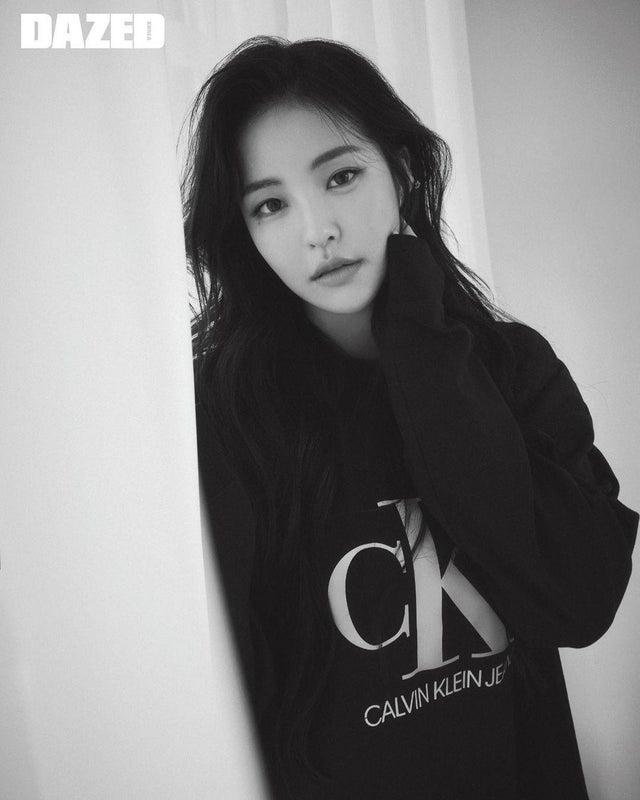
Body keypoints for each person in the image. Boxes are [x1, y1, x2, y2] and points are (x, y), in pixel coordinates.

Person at [181, 35, 638, 800]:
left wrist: (420, 336)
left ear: (400, 171)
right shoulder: (222, 415)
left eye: (342, 176)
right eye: (270, 204)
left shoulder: (511, 366)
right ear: (245, 231)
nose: (316, 229)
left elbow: (578, 602)